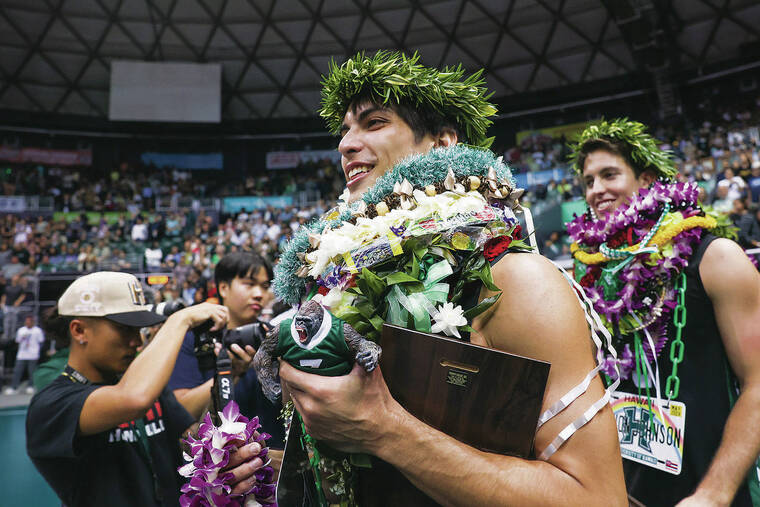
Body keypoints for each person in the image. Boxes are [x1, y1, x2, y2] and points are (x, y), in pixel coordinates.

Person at [272, 51, 625, 504]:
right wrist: (268, 464)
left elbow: (598, 498)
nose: (346, 144)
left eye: (375, 122)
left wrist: (386, 432)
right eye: (345, 131)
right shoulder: (342, 288)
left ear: (442, 143)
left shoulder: (512, 278)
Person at [566, 118, 760, 506]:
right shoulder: (594, 278)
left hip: (713, 489)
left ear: (646, 179)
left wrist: (714, 494)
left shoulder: (715, 257)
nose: (596, 190)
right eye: (588, 181)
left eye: (609, 175)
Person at [26, 271, 267, 507]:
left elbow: (188, 438)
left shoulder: (147, 386)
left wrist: (225, 444)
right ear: (79, 331)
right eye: (124, 328)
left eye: (139, 330)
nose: (138, 341)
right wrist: (179, 320)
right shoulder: (52, 403)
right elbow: (133, 399)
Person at [168, 252, 285, 449]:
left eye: (265, 287)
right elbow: (183, 411)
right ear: (223, 287)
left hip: (275, 465)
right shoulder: (194, 339)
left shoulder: (276, 337)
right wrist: (228, 373)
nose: (259, 294)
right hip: (219, 468)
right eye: (249, 284)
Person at [3, 314, 44, 394]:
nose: (27, 323)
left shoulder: (37, 330)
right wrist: (23, 337)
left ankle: (30, 386)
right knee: (17, 371)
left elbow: (41, 342)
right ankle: (14, 387)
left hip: (33, 354)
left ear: (33, 322)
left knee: (32, 372)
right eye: (26, 322)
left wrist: (37, 351)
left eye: (29, 322)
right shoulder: (21, 330)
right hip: (22, 354)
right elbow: (17, 341)